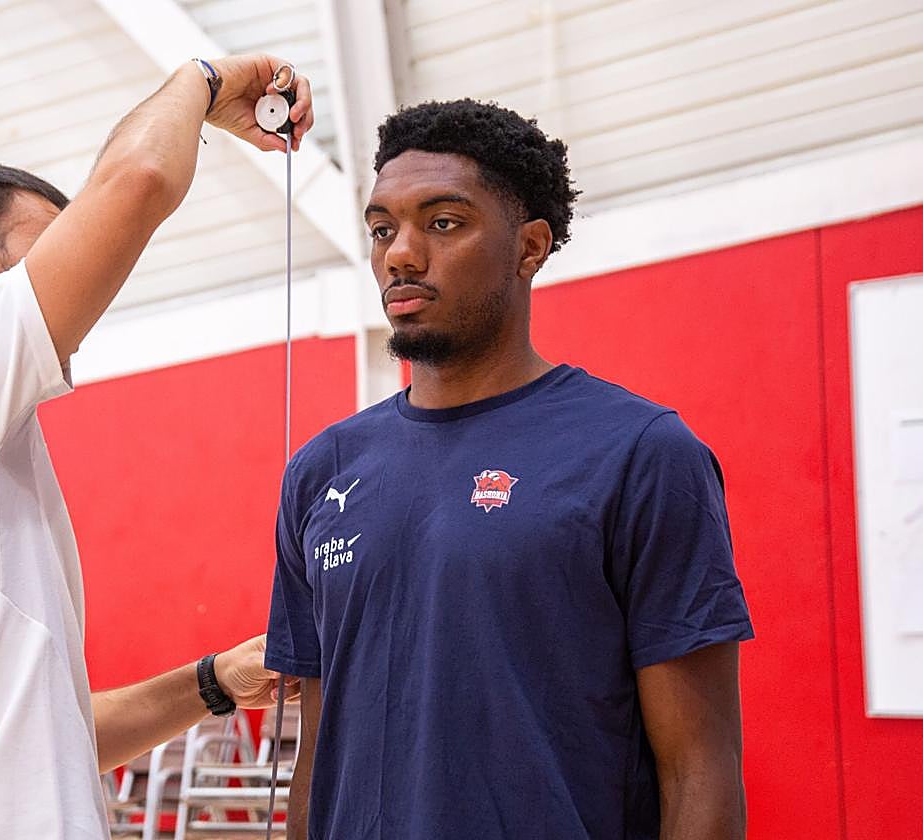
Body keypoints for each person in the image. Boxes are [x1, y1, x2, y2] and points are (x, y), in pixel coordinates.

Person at [0, 55, 312, 839]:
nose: (81, 272)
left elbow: (59, 733)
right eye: (51, 247)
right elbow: (139, 177)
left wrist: (216, 681)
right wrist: (207, 80)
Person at [265, 99, 754, 840]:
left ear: (530, 247)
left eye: (444, 222)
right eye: (382, 228)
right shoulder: (321, 471)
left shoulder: (641, 452)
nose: (401, 253)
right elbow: (317, 762)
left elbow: (701, 771)